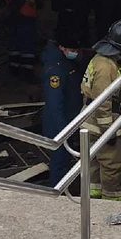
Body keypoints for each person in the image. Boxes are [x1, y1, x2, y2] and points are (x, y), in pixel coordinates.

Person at [81, 19, 121, 201]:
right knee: (114, 166)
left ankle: (94, 202)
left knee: (95, 165)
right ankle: (114, 204)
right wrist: (109, 131)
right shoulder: (106, 67)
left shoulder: (102, 60)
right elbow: (103, 101)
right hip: (101, 125)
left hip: (90, 122)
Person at [41, 22, 90, 186]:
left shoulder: (65, 62)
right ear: (61, 47)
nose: (75, 53)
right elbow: (55, 104)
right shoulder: (56, 69)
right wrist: (64, 131)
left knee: (65, 161)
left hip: (70, 121)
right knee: (59, 163)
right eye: (73, 50)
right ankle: (57, 195)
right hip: (60, 126)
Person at [0, 0, 41, 82]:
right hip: (24, 13)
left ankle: (14, 69)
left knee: (14, 41)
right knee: (27, 43)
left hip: (14, 13)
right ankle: (26, 72)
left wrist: (5, 8)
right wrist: (9, 9)